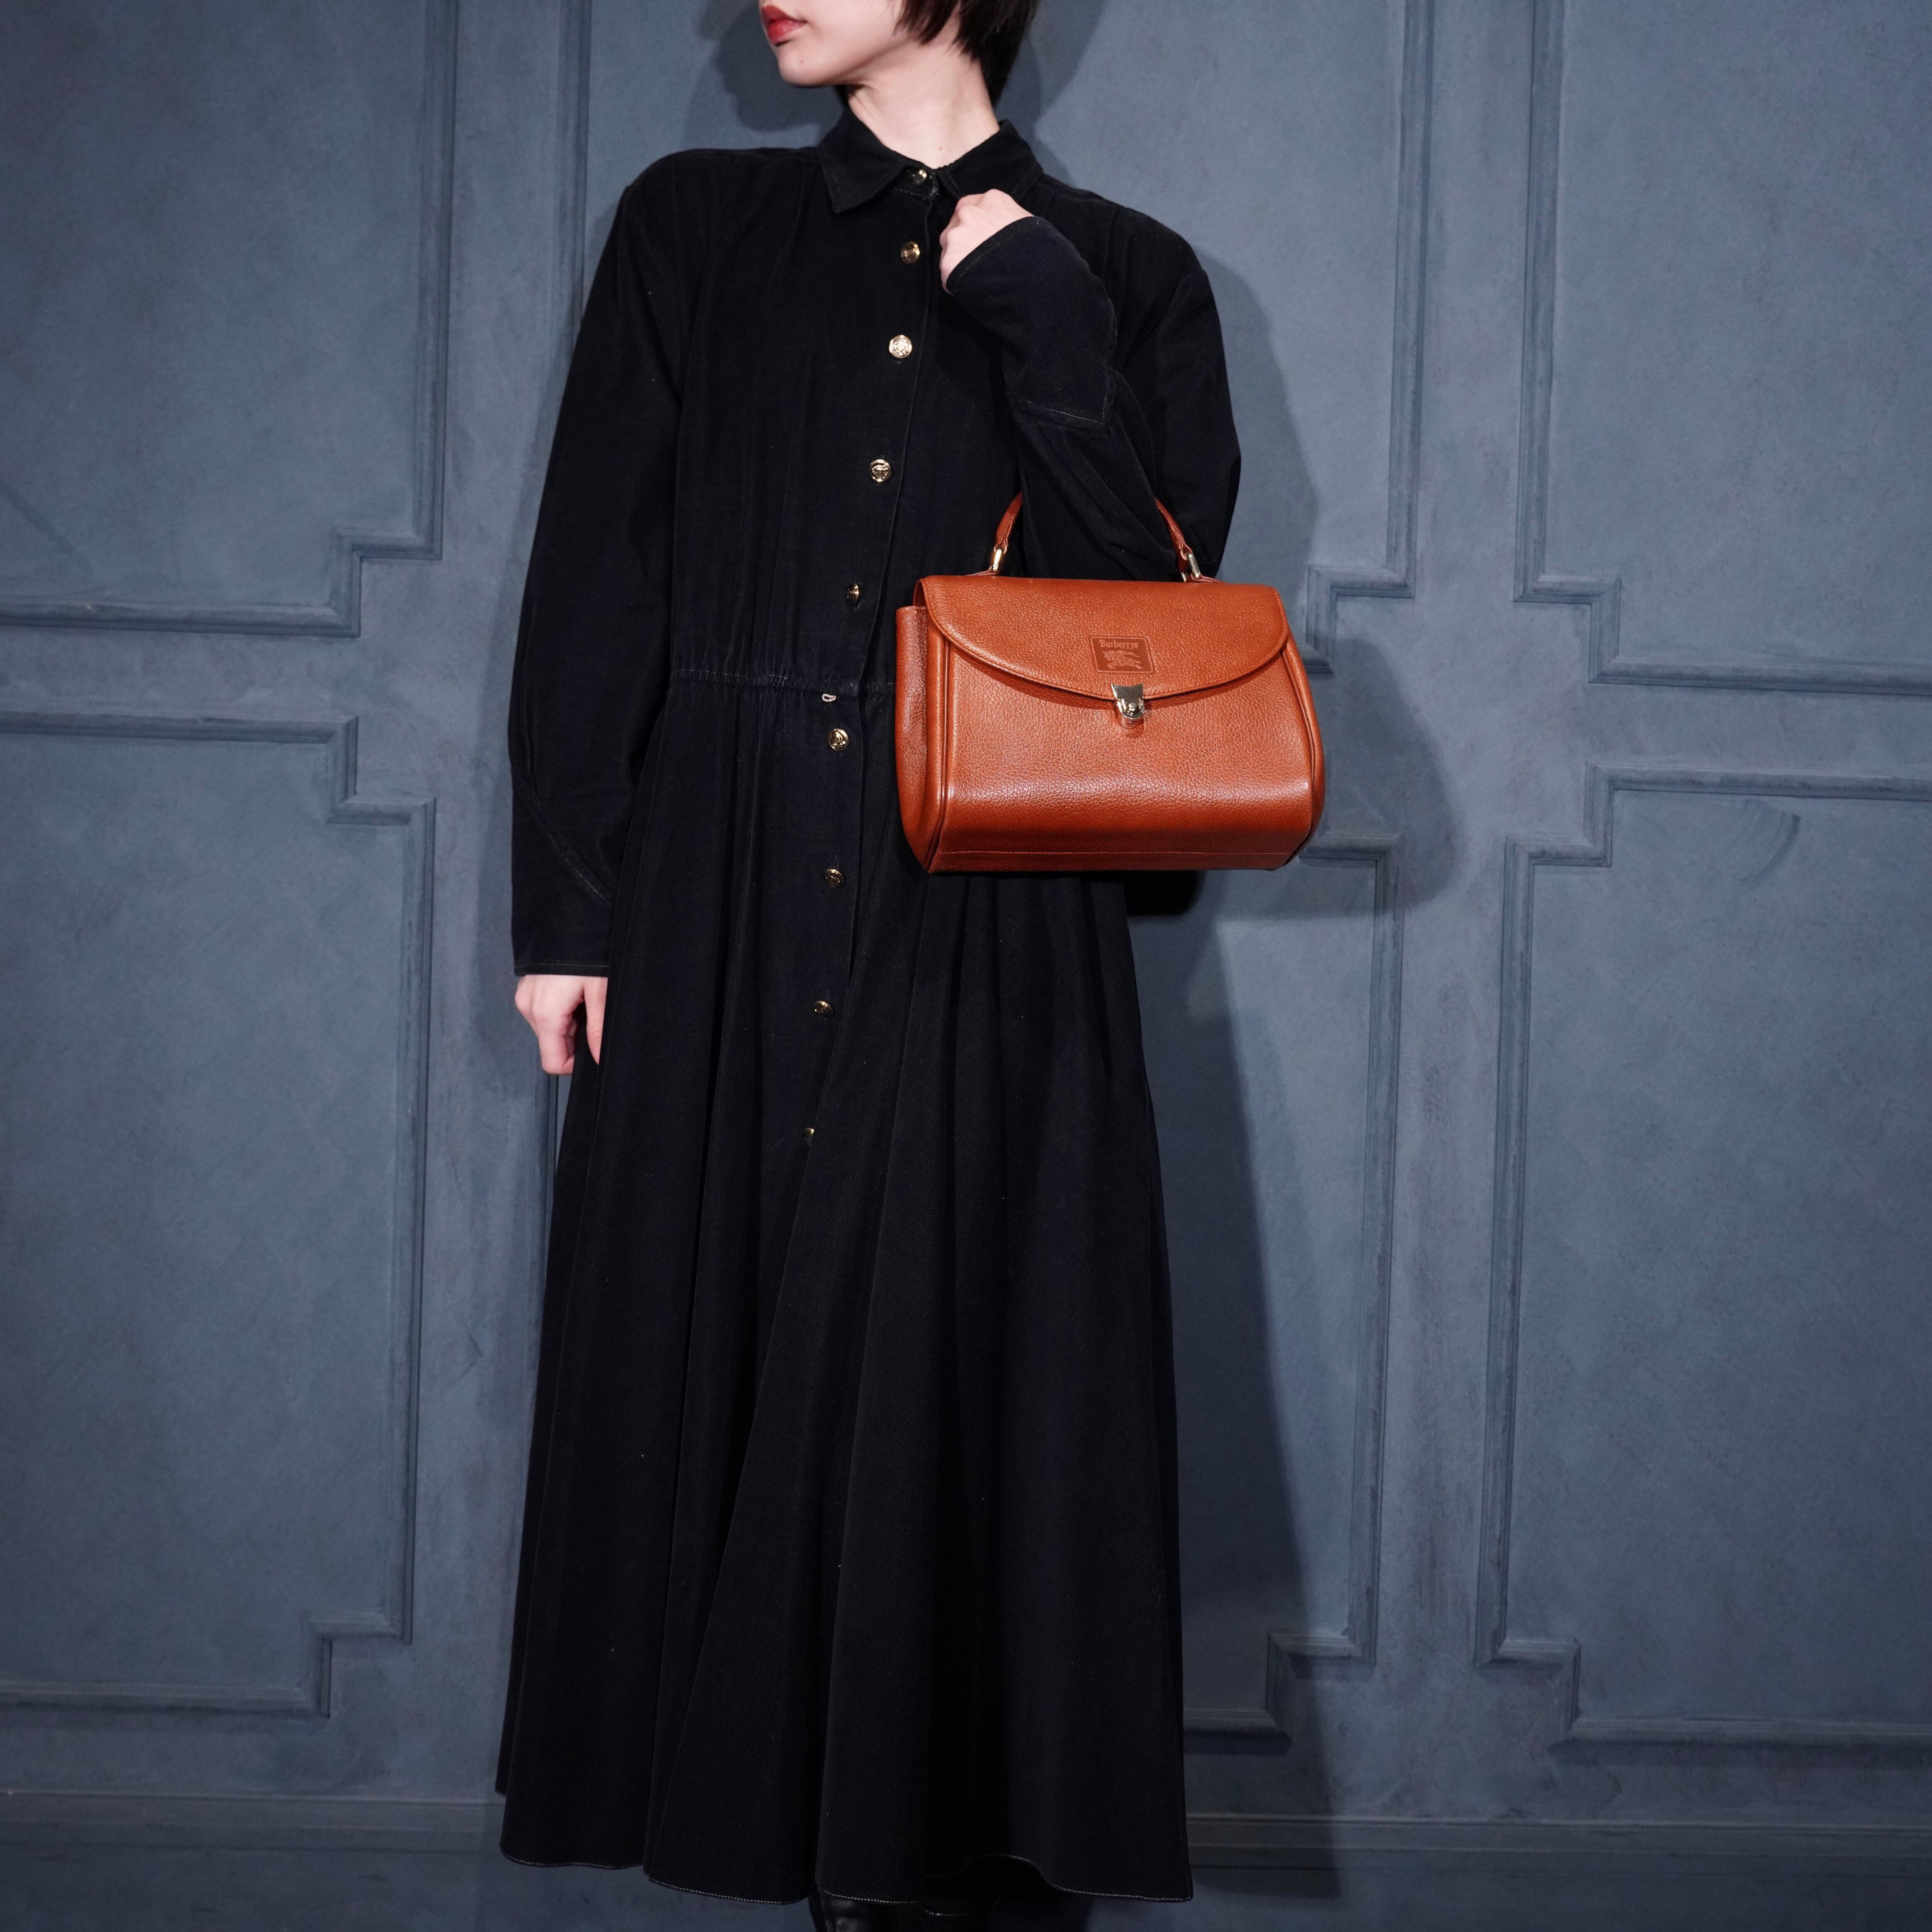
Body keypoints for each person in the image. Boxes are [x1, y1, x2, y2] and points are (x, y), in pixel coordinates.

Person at [495, 0, 1240, 1923]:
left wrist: (1050, 334)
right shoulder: (693, 228)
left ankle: (937, 1861)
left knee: (957, 1381)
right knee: (722, 1349)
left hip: (987, 904)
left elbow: (1142, 644)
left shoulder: (1127, 276)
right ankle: (773, 1836)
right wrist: (569, 909)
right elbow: (596, 572)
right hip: (715, 892)